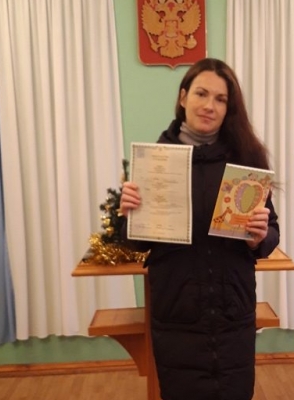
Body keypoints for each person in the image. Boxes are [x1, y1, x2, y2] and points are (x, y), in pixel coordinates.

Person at [119, 58, 280, 400]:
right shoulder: (156, 162)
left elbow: (271, 233)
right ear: (183, 97)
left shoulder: (245, 163)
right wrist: (128, 214)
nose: (209, 105)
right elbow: (136, 244)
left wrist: (260, 237)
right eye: (201, 94)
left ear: (228, 108)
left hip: (232, 317)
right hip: (178, 316)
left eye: (220, 99)